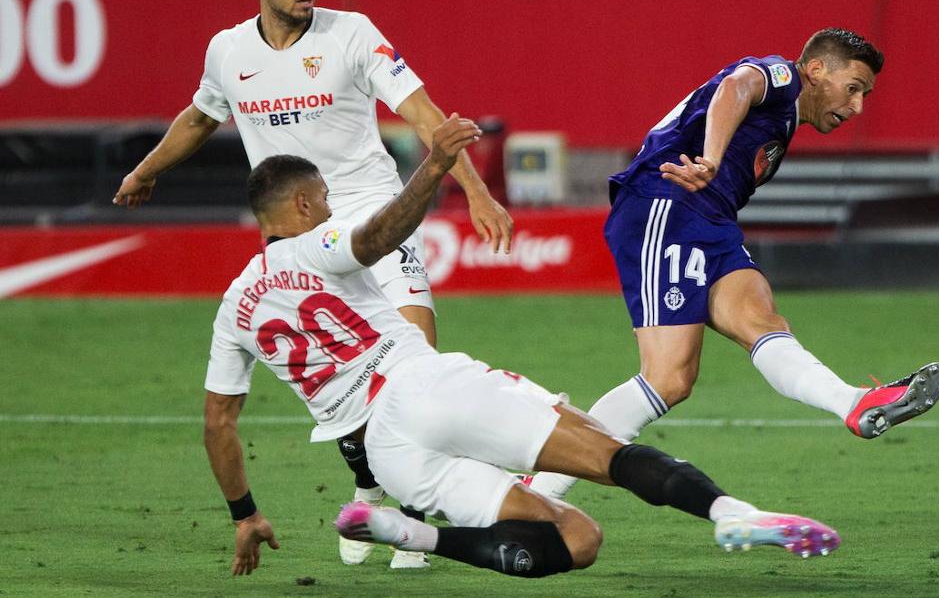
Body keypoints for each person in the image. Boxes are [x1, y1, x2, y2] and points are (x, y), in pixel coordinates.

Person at [204, 118, 839, 578]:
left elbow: (219, 425)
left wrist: (245, 515)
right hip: (427, 391)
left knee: (577, 539)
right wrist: (434, 168)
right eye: (325, 201)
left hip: (387, 454)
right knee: (609, 455)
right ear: (305, 202)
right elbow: (373, 238)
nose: (329, 207)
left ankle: (414, 533)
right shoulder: (316, 239)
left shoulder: (235, 305)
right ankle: (728, 511)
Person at [113, 0, 514, 569]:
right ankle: (365, 481)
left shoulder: (352, 33)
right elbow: (199, 116)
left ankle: (410, 517)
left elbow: (421, 112)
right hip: (299, 247)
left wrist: (473, 189)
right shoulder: (227, 52)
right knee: (339, 388)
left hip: (376, 222)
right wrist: (147, 171)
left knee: (417, 362)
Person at [529, 28, 939, 502]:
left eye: (864, 96)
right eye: (853, 89)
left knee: (761, 321)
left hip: (711, 220)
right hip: (668, 203)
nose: (857, 107)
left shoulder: (786, 119)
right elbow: (737, 87)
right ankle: (538, 490)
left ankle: (853, 403)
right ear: (815, 71)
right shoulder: (782, 76)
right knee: (668, 378)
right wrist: (709, 159)